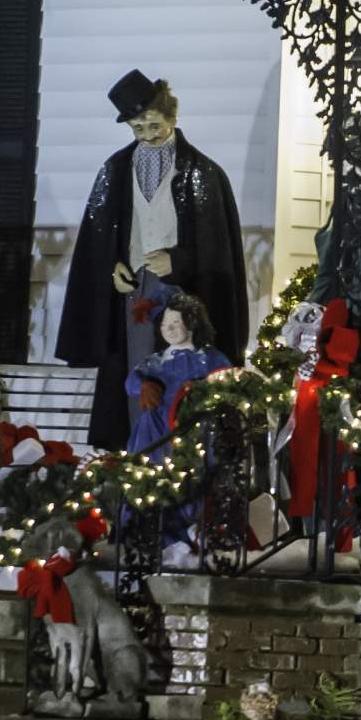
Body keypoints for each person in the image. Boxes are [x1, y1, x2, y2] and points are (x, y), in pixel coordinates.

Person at [55, 70, 248, 451]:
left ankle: (181, 456)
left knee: (183, 371)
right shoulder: (116, 169)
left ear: (172, 117)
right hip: (136, 288)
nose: (147, 135)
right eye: (138, 128)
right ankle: (139, 455)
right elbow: (100, 235)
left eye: (154, 125)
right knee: (139, 371)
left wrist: (178, 261)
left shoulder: (202, 173)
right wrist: (114, 265)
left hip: (184, 291)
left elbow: (215, 246)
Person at [126, 286, 230, 462]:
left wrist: (204, 390)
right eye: (164, 324)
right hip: (157, 428)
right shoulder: (156, 361)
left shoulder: (209, 358)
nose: (169, 329)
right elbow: (130, 383)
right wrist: (143, 385)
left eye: (175, 323)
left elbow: (228, 382)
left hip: (195, 425)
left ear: (191, 323)